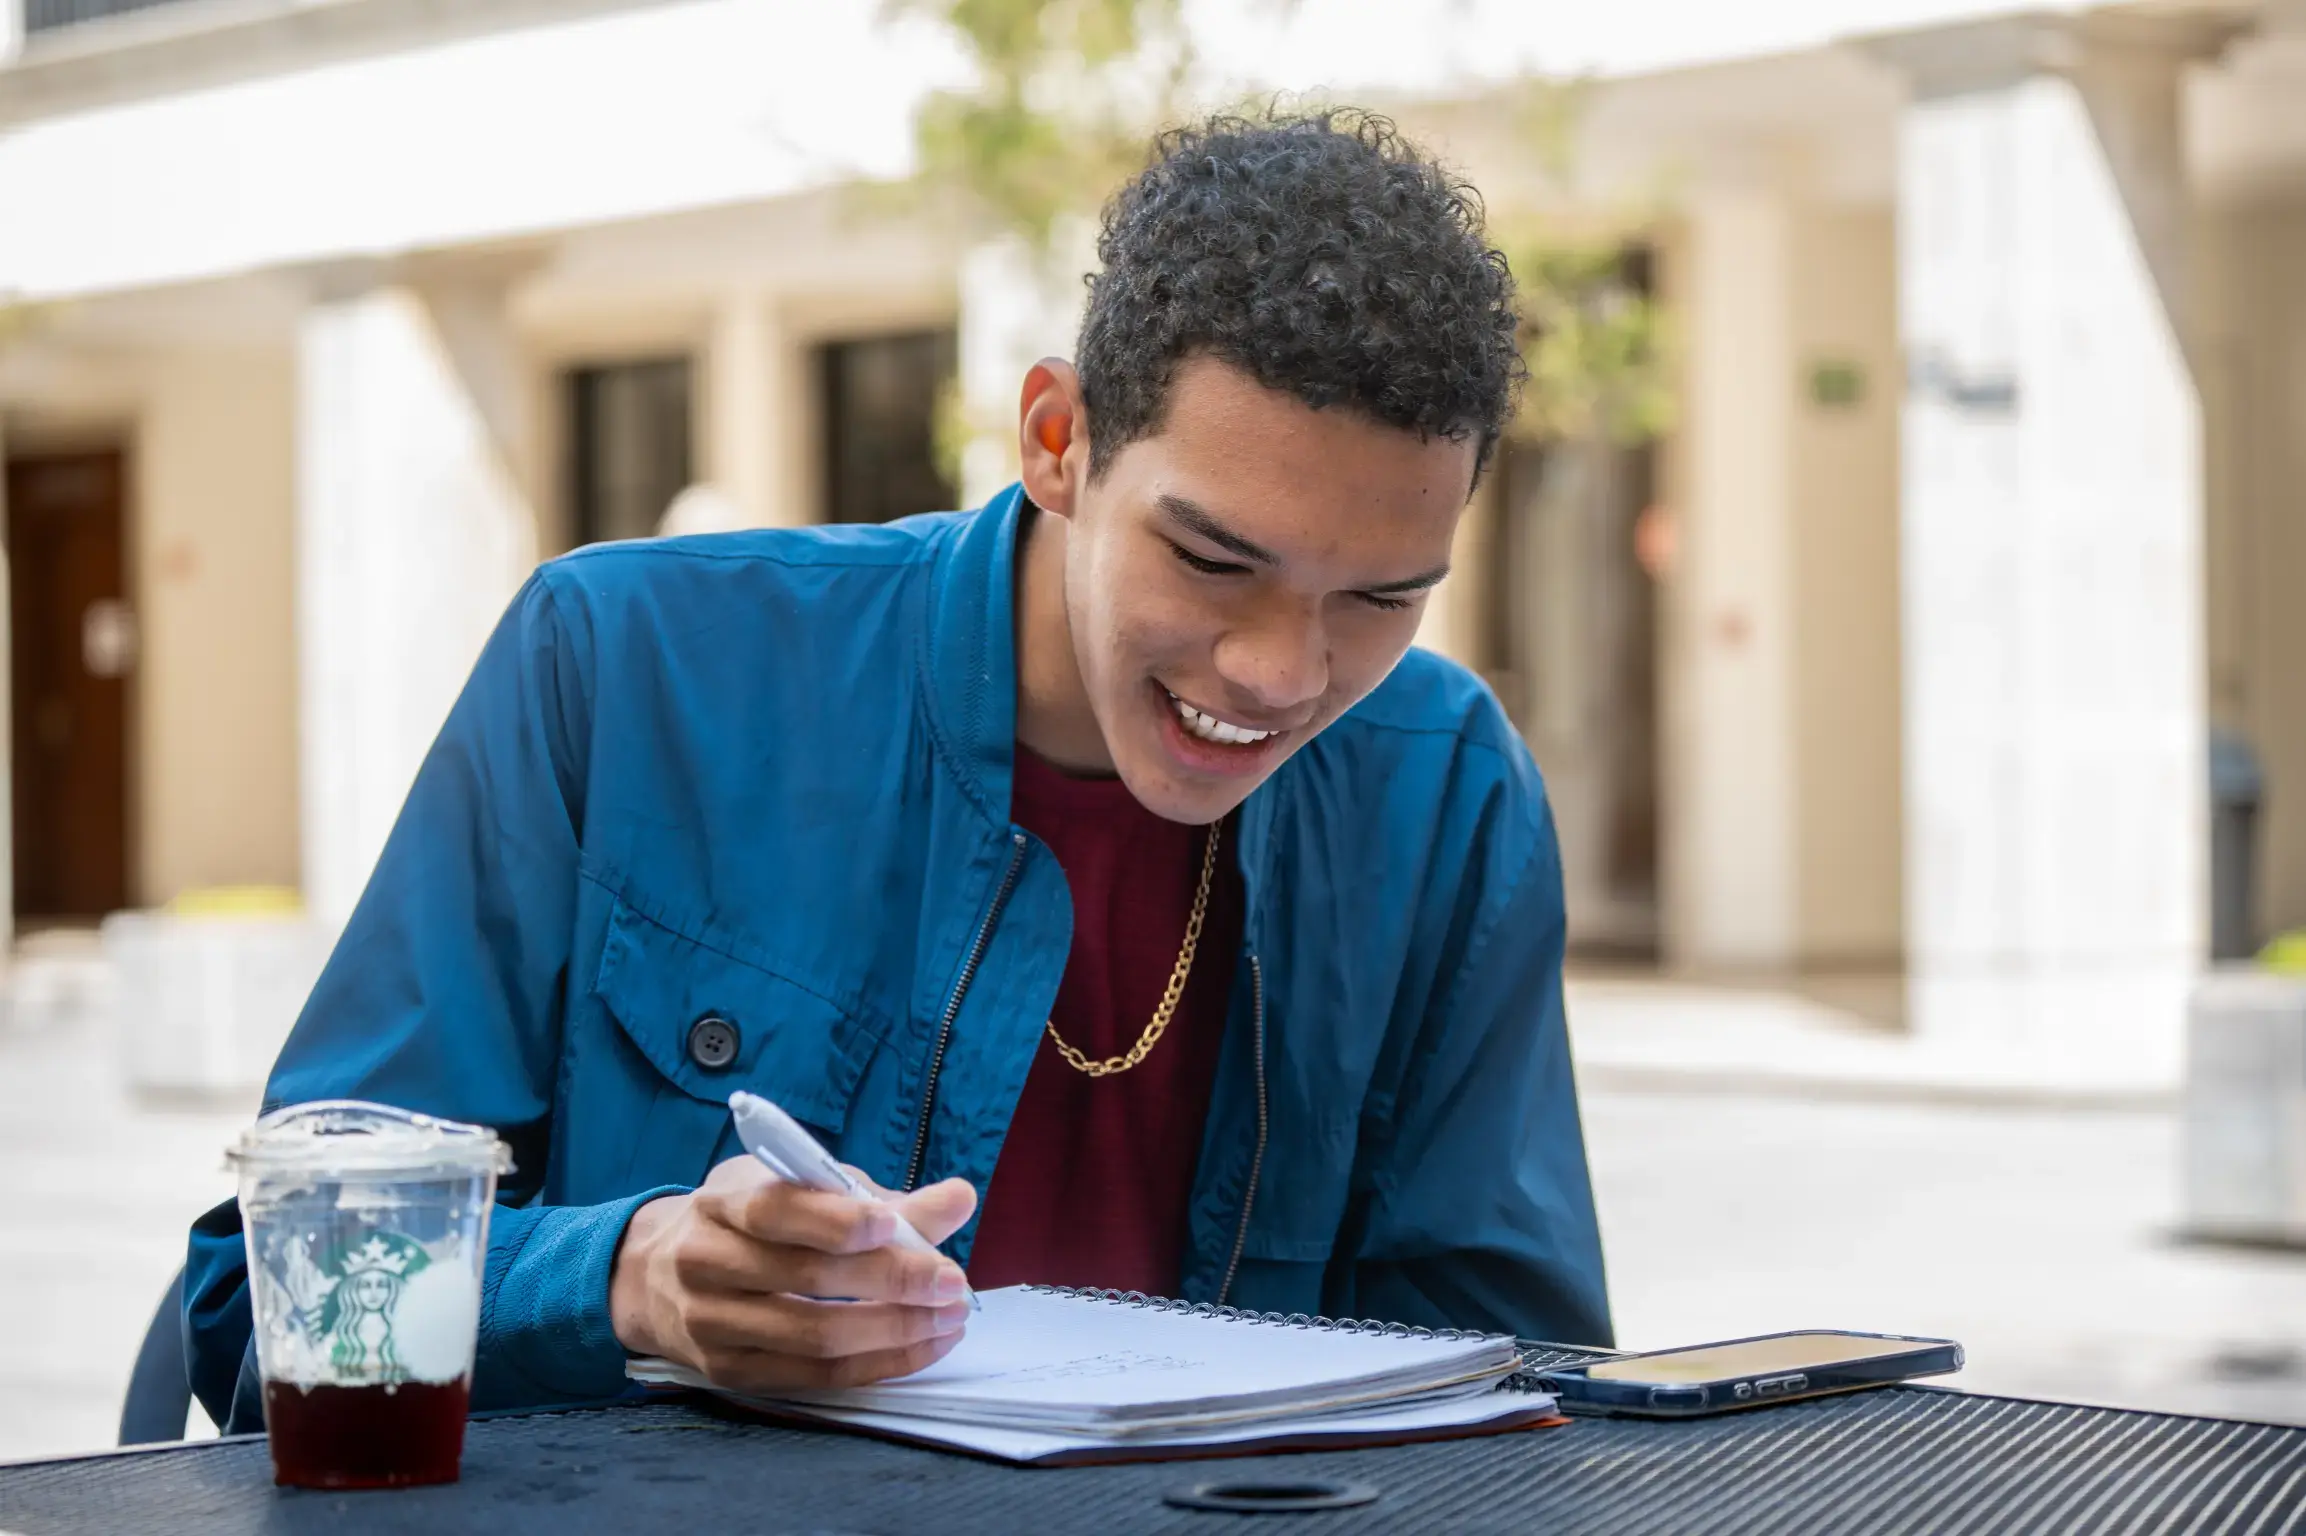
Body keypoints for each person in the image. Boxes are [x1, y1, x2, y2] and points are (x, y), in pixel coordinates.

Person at [185, 108, 1612, 1434]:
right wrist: (626, 1279)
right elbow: (260, 1305)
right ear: (1058, 441)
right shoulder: (628, 667)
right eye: (1213, 561)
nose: (1279, 673)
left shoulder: (1445, 791)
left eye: (1378, 598)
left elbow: (1518, 1383)